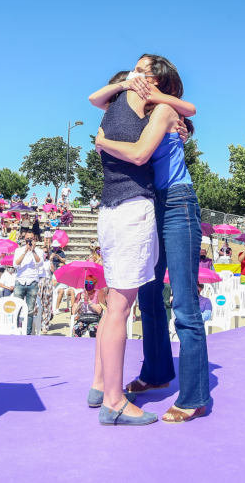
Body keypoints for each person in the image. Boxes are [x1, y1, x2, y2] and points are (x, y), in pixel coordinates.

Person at [92, 54, 208, 423]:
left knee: (185, 304)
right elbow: (101, 101)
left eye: (142, 70)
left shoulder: (163, 110)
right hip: (152, 203)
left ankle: (194, 396)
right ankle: (157, 373)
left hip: (177, 202)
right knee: (147, 292)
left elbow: (142, 152)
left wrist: (102, 141)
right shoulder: (141, 110)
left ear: (157, 80)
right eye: (134, 69)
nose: (134, 74)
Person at [13, 231, 44, 335]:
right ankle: (16, 330)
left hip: (32, 282)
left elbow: (40, 263)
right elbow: (15, 264)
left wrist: (33, 251)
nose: (29, 241)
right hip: (20, 281)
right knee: (17, 307)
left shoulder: (39, 251)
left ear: (34, 239)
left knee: (30, 309)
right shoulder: (19, 250)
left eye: (31, 239)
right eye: (27, 239)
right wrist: (25, 252)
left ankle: (28, 333)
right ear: (24, 239)